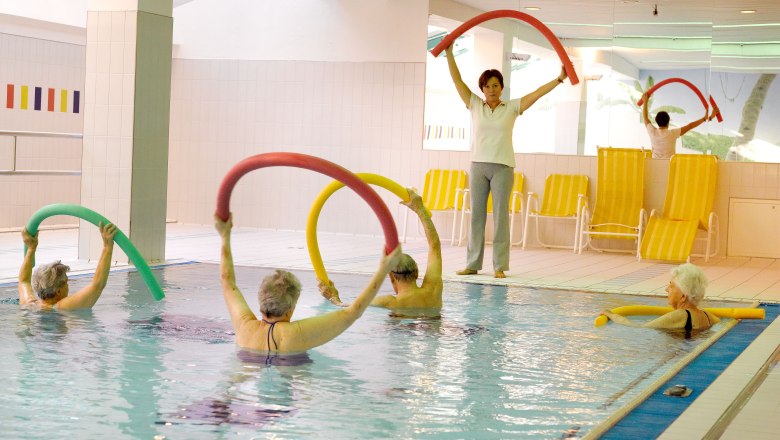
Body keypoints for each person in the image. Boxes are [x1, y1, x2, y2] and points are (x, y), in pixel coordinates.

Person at [445, 43, 567, 278]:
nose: (492, 89)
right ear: (482, 88)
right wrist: (450, 53)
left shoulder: (511, 107)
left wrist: (559, 79)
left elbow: (537, 93)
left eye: (496, 85)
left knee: (501, 216)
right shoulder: (473, 104)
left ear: (501, 87)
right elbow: (457, 81)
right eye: (487, 86)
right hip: (478, 166)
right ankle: (472, 264)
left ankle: (499, 266)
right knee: (476, 216)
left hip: (503, 167)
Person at [215, 213, 402, 353]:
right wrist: (384, 269)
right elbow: (352, 313)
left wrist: (224, 235)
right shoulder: (295, 335)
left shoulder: (244, 327)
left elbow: (227, 281)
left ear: (260, 299)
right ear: (291, 307)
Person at [370, 188, 443, 315]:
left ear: (392, 276)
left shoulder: (389, 302)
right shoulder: (434, 289)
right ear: (416, 273)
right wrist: (420, 209)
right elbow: (434, 245)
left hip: (401, 332)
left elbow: (350, 308)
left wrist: (333, 297)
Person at [18, 222, 118, 310]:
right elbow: (97, 285)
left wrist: (31, 248)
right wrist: (107, 246)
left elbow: (24, 280)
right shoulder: (62, 307)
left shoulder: (30, 304)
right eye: (66, 282)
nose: (68, 285)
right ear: (58, 291)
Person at [600, 263, 720, 335]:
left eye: (671, 286)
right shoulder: (708, 317)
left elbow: (639, 328)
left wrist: (612, 315)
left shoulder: (681, 315)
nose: (667, 289)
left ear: (683, 296)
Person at [642, 91, 720, 159]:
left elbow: (645, 118)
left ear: (657, 122)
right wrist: (705, 118)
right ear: (668, 122)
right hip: (669, 166)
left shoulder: (652, 132)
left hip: (655, 165)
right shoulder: (672, 134)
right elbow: (690, 126)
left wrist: (645, 101)